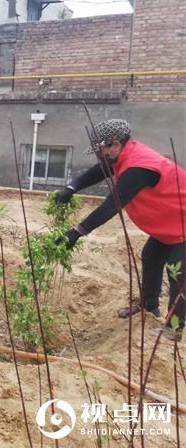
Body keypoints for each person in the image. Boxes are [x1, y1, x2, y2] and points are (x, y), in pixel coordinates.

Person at [54, 119, 185, 341]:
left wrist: (77, 232)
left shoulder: (139, 167)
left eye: (101, 149)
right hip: (171, 225)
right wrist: (71, 187)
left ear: (115, 145)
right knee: (151, 255)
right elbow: (100, 170)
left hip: (182, 223)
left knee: (177, 270)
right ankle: (149, 308)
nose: (99, 154)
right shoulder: (124, 155)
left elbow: (112, 205)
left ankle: (175, 327)